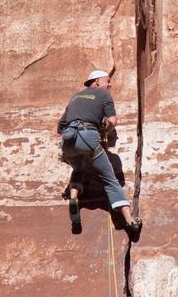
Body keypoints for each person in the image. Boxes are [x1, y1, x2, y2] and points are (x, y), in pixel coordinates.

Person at [57, 69, 142, 239]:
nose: (109, 85)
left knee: (80, 167)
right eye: (107, 81)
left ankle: (74, 197)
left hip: (68, 142)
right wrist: (104, 131)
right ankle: (130, 221)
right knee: (110, 179)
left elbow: (60, 127)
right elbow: (112, 121)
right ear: (96, 82)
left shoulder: (75, 97)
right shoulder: (103, 96)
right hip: (88, 137)